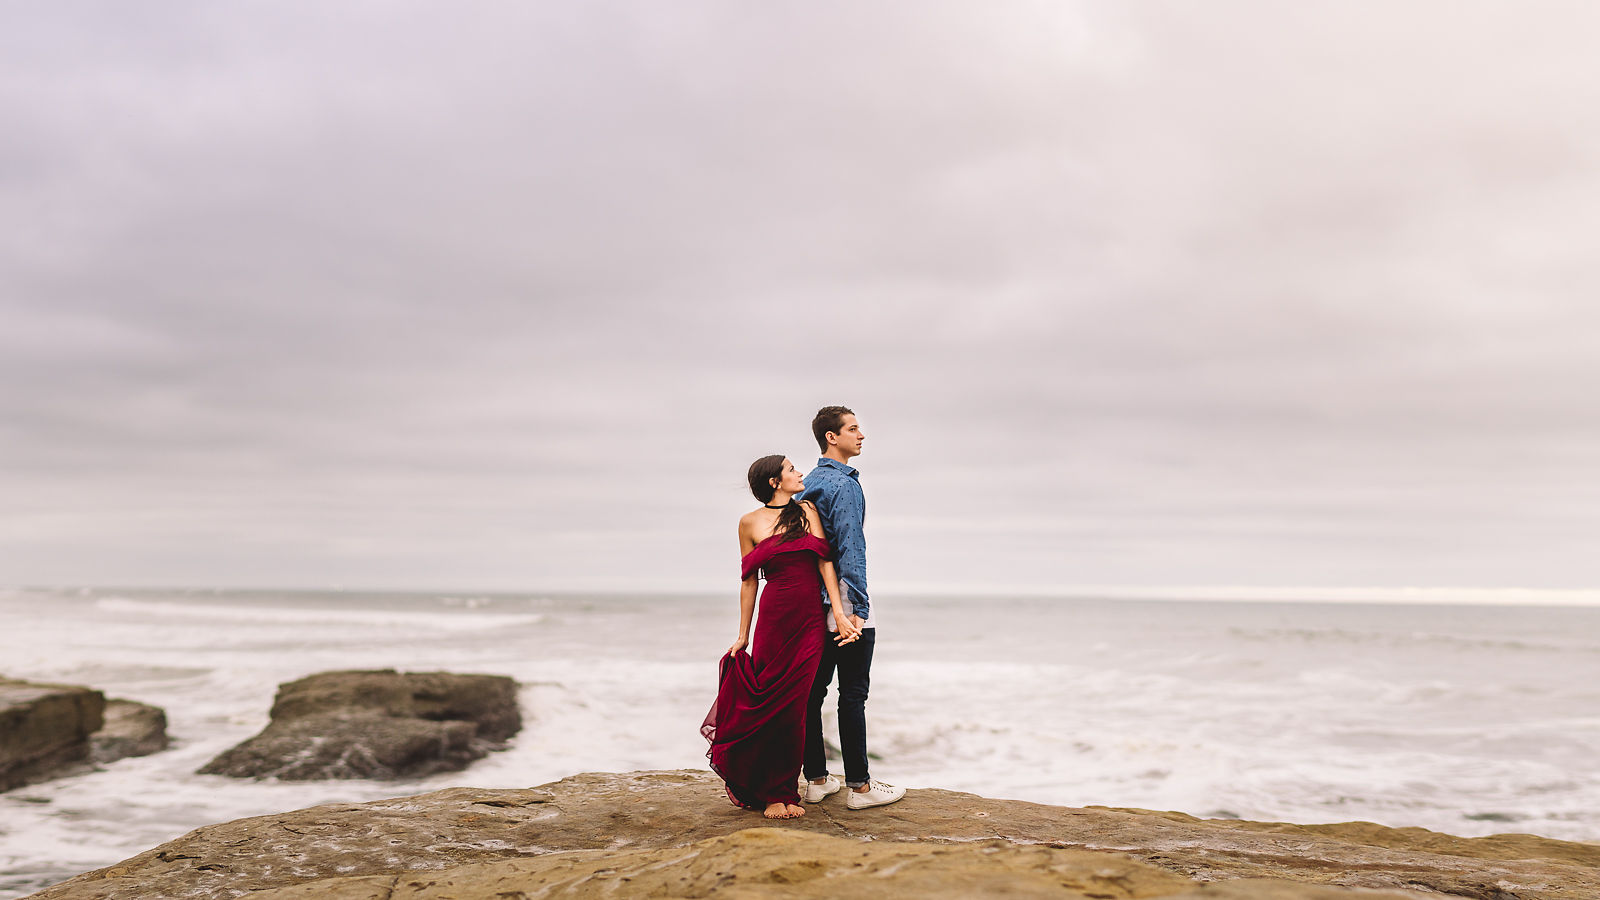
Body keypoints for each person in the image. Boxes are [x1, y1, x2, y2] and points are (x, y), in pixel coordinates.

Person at [702, 455, 861, 819]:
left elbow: (825, 563)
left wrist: (837, 612)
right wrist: (743, 634)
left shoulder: (806, 511)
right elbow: (748, 582)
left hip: (808, 622)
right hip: (773, 620)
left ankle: (789, 788)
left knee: (796, 707)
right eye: (791, 469)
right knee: (771, 705)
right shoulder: (749, 523)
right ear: (774, 481)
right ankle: (774, 793)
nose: (799, 473)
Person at [799, 405, 906, 809]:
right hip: (845, 600)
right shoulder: (843, 485)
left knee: (813, 694)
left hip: (816, 601)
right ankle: (859, 788)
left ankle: (816, 779)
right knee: (853, 695)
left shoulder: (809, 482)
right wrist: (857, 605)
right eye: (854, 429)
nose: (861, 436)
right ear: (832, 437)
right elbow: (850, 547)